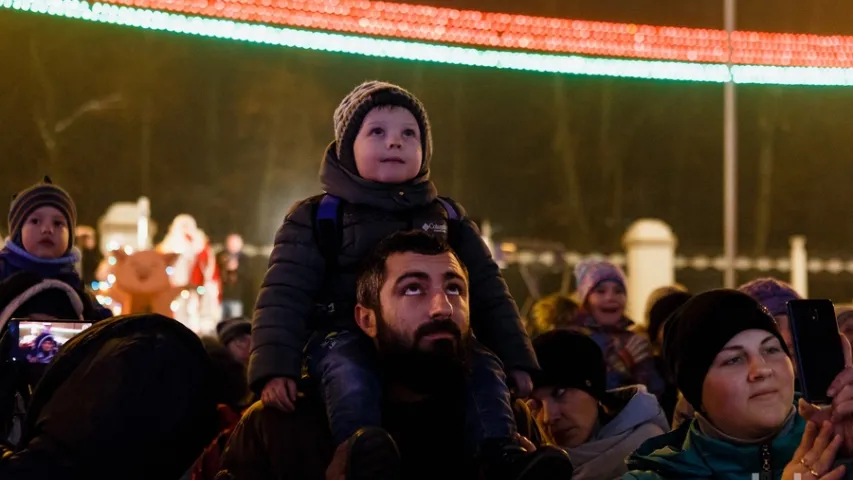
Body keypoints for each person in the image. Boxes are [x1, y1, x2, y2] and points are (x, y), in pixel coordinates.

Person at [250, 82, 539, 468]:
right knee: (348, 369)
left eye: (409, 133)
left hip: (428, 339)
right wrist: (275, 368)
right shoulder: (318, 217)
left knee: (483, 367)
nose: (395, 143)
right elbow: (284, 295)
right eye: (377, 132)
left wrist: (516, 359)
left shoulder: (447, 217)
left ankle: (502, 455)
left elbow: (488, 290)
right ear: (346, 147)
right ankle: (363, 452)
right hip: (340, 334)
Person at [225, 231, 572, 480]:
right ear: (366, 319)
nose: (442, 308)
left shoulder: (505, 420)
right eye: (413, 289)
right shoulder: (282, 425)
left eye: (454, 288)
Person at [624, 289, 853, 479]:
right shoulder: (657, 475)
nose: (762, 369)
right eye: (733, 359)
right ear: (695, 390)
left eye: (771, 349)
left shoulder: (837, 446)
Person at [529, 329, 668, 479]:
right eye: (536, 404)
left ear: (594, 390)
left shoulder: (650, 453)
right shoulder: (533, 463)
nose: (548, 417)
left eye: (560, 393)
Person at [0, 177, 110, 319]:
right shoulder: (4, 269)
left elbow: (102, 322)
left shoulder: (71, 280)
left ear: (70, 236)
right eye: (35, 221)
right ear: (18, 232)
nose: (47, 229)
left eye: (58, 223)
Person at [570, 259, 665, 397]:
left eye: (618, 291)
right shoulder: (574, 339)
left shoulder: (633, 339)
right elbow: (585, 393)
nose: (610, 298)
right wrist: (622, 363)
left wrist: (643, 369)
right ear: (585, 300)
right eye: (600, 291)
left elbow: (656, 392)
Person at [644, 287, 692, 424]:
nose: (681, 332)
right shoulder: (645, 375)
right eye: (671, 325)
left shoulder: (708, 371)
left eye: (687, 323)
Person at [217, 234, 251, 320]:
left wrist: (237, 268)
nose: (232, 246)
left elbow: (248, 277)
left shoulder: (245, 258)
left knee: (235, 322)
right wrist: (224, 266)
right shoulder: (220, 256)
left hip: (237, 297)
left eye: (234, 243)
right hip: (221, 296)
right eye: (230, 243)